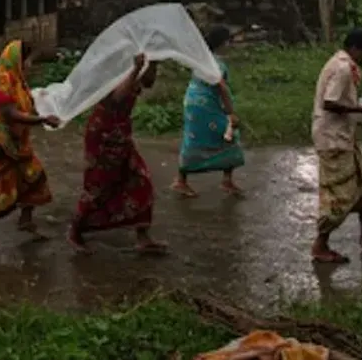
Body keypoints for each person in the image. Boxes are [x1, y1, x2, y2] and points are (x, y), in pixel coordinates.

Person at [0, 40, 61, 246]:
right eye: (29, 60)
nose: (30, 64)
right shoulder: (0, 81)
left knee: (34, 175)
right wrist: (42, 120)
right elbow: (10, 113)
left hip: (16, 140)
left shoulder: (18, 81)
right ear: (18, 60)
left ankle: (26, 220)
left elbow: (25, 107)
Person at [68, 53, 165, 255]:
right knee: (98, 186)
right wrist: (135, 69)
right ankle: (75, 231)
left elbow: (148, 83)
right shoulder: (110, 74)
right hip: (103, 134)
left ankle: (143, 237)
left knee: (140, 179)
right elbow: (116, 98)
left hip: (121, 132)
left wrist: (154, 61)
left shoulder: (131, 68)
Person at [310, 28, 362, 265]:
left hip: (342, 136)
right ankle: (320, 245)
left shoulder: (340, 63)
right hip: (332, 140)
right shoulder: (343, 68)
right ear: (356, 48)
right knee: (339, 194)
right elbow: (330, 102)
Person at [171, 26, 245, 198]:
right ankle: (225, 180)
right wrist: (231, 113)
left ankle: (182, 180)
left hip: (192, 102)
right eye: (229, 41)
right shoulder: (215, 63)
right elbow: (222, 88)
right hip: (206, 105)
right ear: (222, 43)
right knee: (229, 135)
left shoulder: (202, 58)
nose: (230, 45)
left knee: (193, 138)